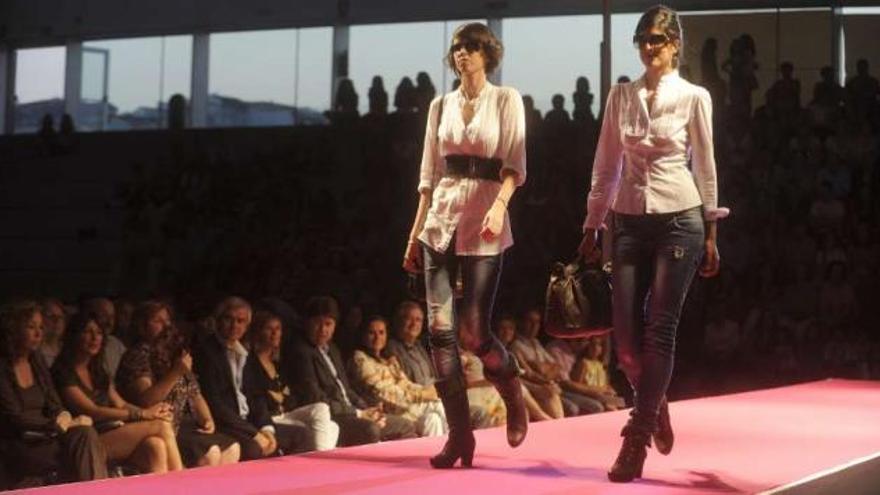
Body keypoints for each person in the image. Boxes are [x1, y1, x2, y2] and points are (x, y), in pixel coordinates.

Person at [579, 5, 727, 482]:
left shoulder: (693, 96)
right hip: (625, 219)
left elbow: (705, 165)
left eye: (659, 39)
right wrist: (592, 224)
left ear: (675, 44)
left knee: (659, 330)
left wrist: (712, 230)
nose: (650, 47)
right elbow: (605, 164)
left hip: (680, 219)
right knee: (624, 343)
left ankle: (636, 438)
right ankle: (655, 402)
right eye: (643, 38)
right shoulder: (620, 95)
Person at [402, 21, 528, 470]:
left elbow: (514, 163)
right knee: (439, 332)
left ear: (487, 54)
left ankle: (512, 389)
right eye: (458, 47)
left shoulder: (506, 98)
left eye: (472, 47)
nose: (463, 54)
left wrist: (500, 205)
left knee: (474, 330)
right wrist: (415, 233)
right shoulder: (440, 106)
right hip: (440, 220)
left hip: (486, 217)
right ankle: (460, 437)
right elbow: (427, 177)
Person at [52, 311, 184, 474]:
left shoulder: (97, 371)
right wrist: (143, 414)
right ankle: (184, 485)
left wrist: (153, 413)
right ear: (74, 336)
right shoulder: (62, 372)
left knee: (156, 446)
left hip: (113, 431)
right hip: (87, 440)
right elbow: (92, 411)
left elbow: (121, 403)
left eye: (99, 333)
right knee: (161, 426)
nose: (95, 338)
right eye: (88, 332)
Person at [115, 301, 241, 467]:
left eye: (167, 320)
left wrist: (207, 418)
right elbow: (146, 401)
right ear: (142, 325)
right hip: (160, 425)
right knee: (211, 454)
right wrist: (175, 372)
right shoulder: (138, 355)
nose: (166, 326)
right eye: (158, 321)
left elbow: (195, 393)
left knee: (233, 448)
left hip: (186, 424)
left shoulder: (172, 353)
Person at [0, 301, 107, 486]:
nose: (38, 333)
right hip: (21, 441)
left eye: (41, 327)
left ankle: (96, 490)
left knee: (86, 434)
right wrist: (55, 424)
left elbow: (54, 402)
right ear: (14, 329)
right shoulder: (3, 367)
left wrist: (63, 415)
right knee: (82, 450)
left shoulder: (36, 360)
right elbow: (13, 418)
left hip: (51, 435)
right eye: (31, 327)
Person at [192, 297, 314, 460]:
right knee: (253, 448)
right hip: (225, 425)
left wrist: (266, 428)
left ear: (246, 326)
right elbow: (215, 404)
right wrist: (254, 433)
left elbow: (256, 397)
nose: (235, 325)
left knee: (301, 435)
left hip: (249, 423)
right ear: (218, 321)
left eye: (240, 321)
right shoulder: (206, 353)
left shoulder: (244, 353)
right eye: (229, 319)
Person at [285, 297, 417, 447]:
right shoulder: (301, 352)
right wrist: (358, 413)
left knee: (406, 425)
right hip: (331, 416)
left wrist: (367, 409)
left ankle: (396, 468)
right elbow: (315, 397)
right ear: (308, 323)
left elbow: (346, 390)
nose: (323, 330)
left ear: (335, 326)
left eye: (328, 324)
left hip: (352, 411)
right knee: (370, 429)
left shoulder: (332, 349)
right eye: (317, 323)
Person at [246, 310, 339, 451]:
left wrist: (283, 397)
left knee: (330, 421)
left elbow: (293, 395)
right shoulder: (250, 363)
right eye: (269, 329)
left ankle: (318, 460)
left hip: (285, 413)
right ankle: (322, 461)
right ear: (258, 332)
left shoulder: (279, 363)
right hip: (269, 418)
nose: (275, 333)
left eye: (278, 329)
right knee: (314, 423)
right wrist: (275, 397)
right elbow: (256, 398)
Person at [348, 316, 447, 437]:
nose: (377, 337)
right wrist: (421, 396)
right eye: (371, 333)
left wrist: (426, 391)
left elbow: (405, 383)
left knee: (432, 419)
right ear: (363, 335)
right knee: (436, 404)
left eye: (381, 333)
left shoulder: (388, 360)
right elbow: (382, 392)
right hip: (387, 409)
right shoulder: (360, 359)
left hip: (406, 408)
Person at [385, 301, 434, 386]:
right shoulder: (390, 348)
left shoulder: (419, 346)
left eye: (418, 320)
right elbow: (404, 384)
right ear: (398, 321)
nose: (414, 324)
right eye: (409, 319)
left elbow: (432, 376)